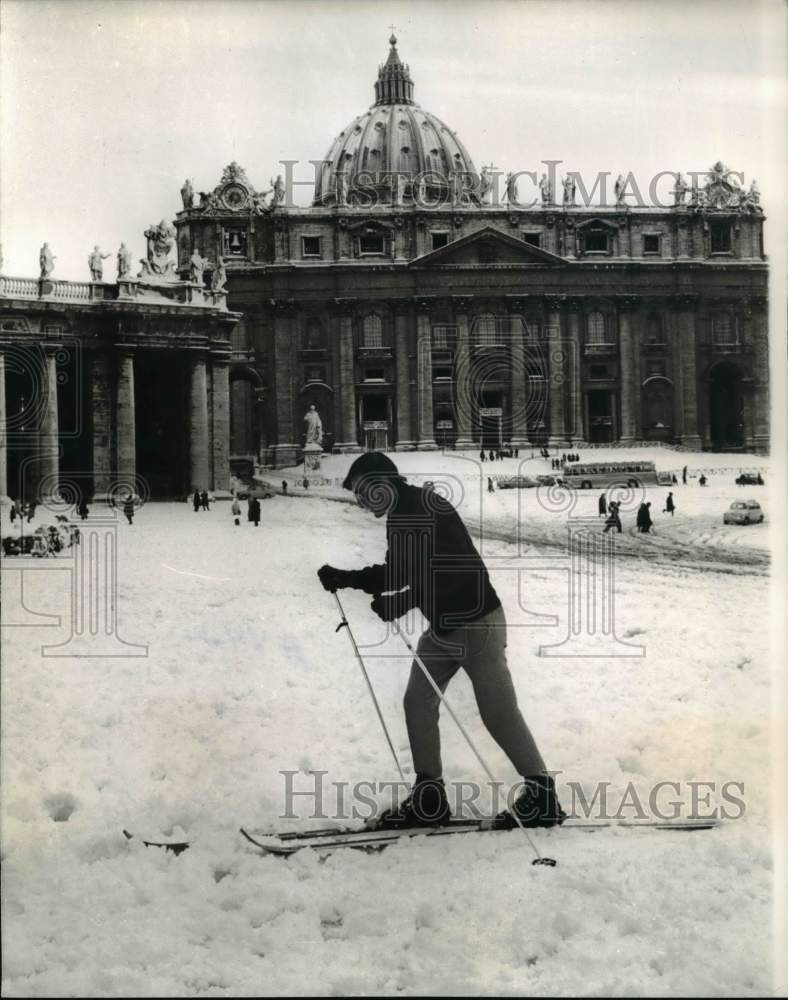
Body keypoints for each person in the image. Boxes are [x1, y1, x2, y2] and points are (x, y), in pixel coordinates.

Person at [317, 452, 565, 831]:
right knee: (418, 702)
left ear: (381, 484)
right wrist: (392, 596)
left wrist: (360, 583)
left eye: (363, 493)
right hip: (445, 629)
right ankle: (429, 797)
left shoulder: (418, 509)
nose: (362, 503)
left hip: (476, 623)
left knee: (498, 712)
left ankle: (542, 795)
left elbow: (418, 571)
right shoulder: (406, 511)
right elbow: (418, 570)